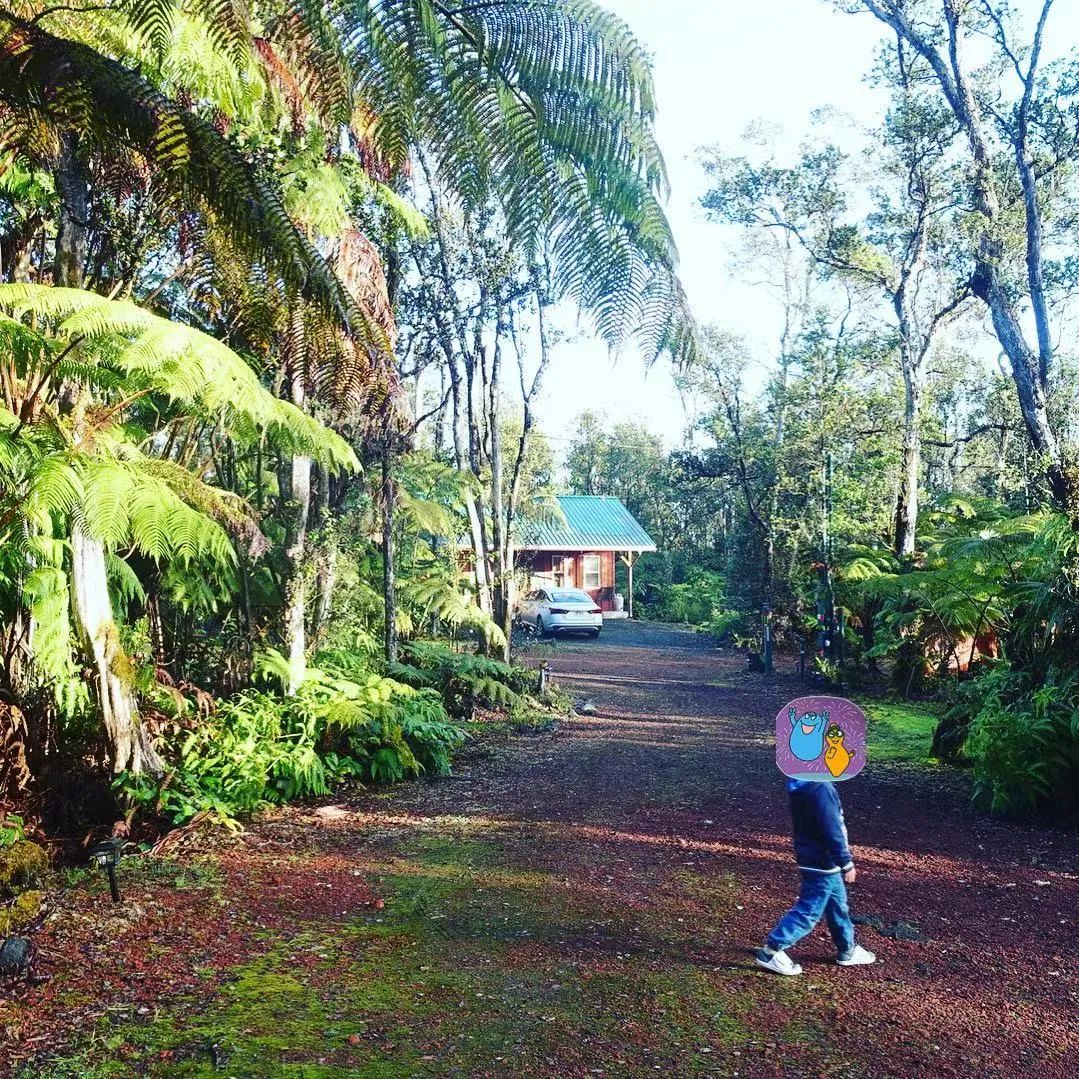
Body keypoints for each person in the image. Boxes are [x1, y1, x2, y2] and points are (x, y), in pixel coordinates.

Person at [756, 778, 877, 976]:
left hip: (816, 858)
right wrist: (845, 861)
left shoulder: (804, 785)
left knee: (838, 906)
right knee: (810, 909)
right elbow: (832, 828)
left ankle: (848, 949)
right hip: (823, 862)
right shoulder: (821, 788)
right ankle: (772, 950)